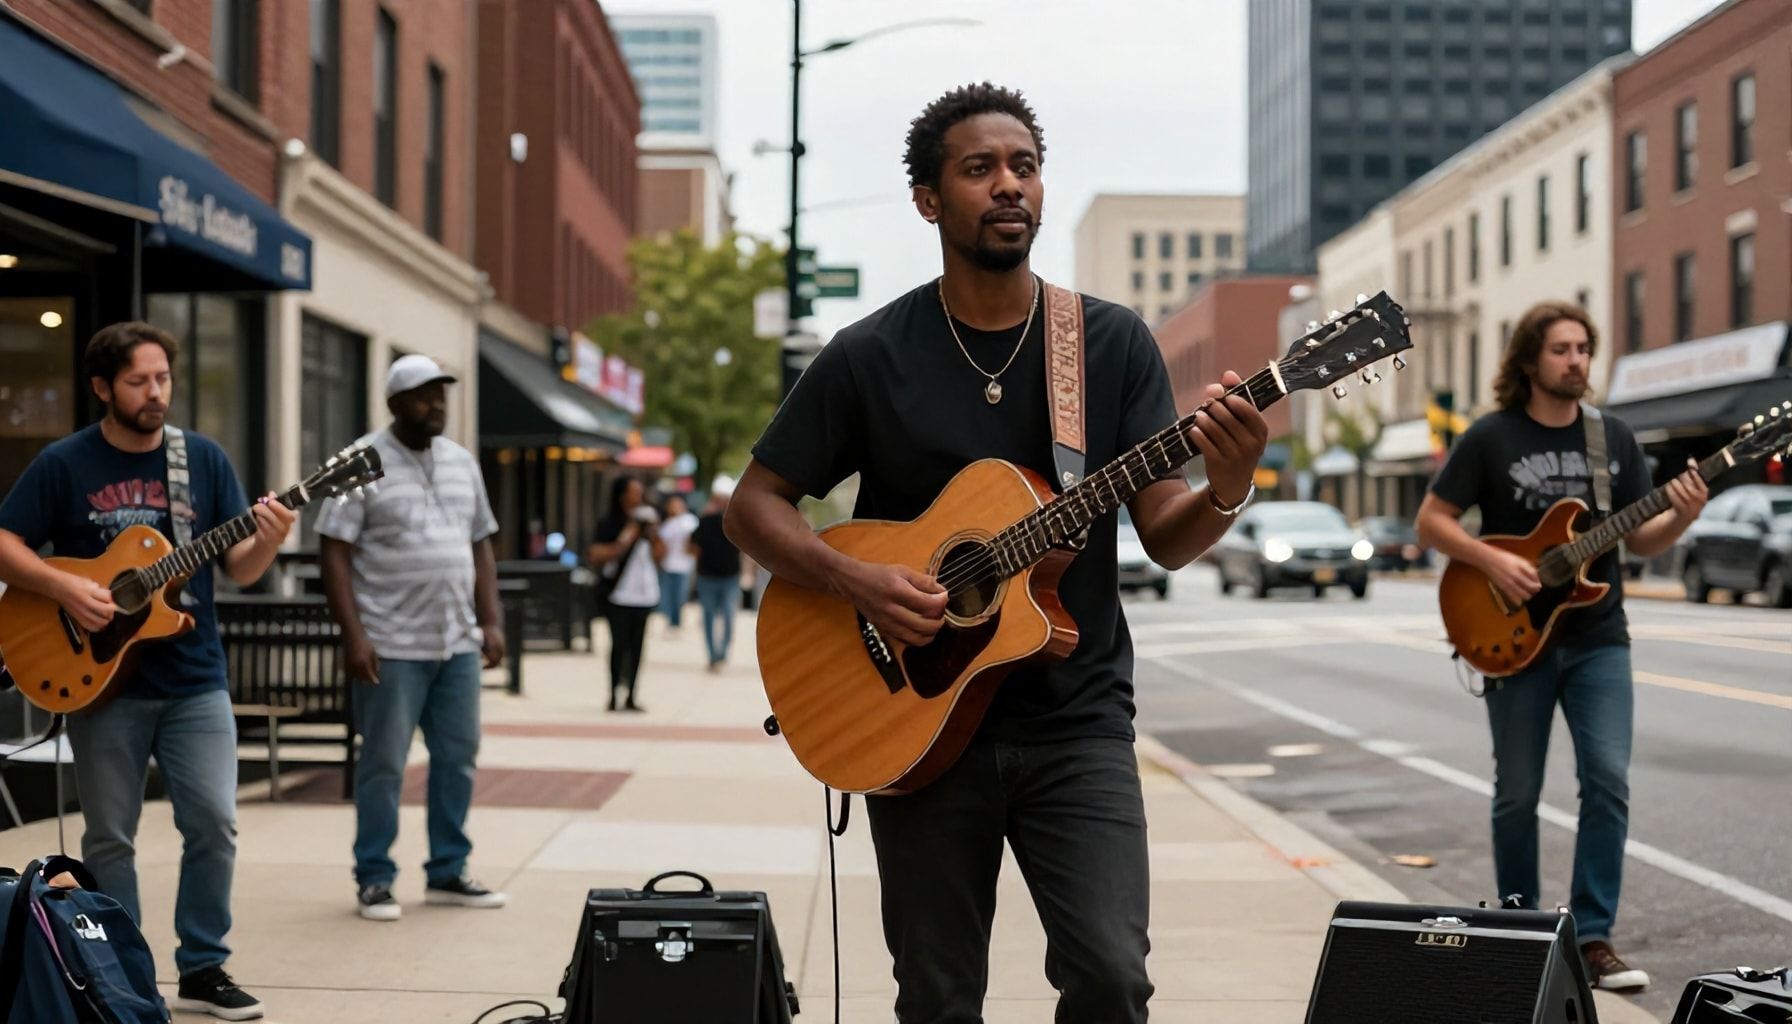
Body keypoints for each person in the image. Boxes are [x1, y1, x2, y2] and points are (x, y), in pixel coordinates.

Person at [723, 83, 1266, 1022]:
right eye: (980, 169)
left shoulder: (1104, 343)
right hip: (917, 716)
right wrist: (858, 580)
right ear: (930, 200)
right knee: (937, 996)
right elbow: (752, 507)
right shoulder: (870, 355)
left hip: (1077, 721)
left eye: (1024, 166)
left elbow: (1168, 535)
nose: (1009, 185)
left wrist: (1228, 486)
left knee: (1110, 977)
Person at [0, 322, 293, 1020]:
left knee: (215, 823)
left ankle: (204, 966)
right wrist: (66, 588)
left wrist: (273, 539)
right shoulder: (66, 464)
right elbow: (5, 539)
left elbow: (241, 567)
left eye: (163, 378)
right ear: (103, 386)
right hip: (100, 682)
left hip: (195, 677)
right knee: (110, 837)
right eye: (139, 381)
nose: (155, 392)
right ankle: (119, 967)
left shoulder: (203, 460)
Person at [1416, 301, 1707, 992]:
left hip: (1599, 637)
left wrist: (1683, 516)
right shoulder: (1491, 437)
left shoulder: (1613, 440)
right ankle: (1520, 929)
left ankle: (1595, 938)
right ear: (1530, 360)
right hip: (1513, 640)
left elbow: (1640, 540)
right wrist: (1490, 560)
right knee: (1517, 793)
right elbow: (1432, 520)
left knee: (1607, 781)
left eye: (1584, 348)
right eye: (1561, 349)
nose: (1576, 360)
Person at [315, 354, 509, 922]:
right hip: (391, 645)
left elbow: (481, 544)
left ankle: (448, 870)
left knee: (459, 757)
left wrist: (491, 620)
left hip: (456, 642)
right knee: (383, 764)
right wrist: (354, 636)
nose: (437, 405)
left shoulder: (461, 461)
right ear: (396, 403)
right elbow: (334, 549)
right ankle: (374, 877)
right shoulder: (359, 461)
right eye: (425, 396)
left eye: (442, 394)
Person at [588, 477, 664, 712]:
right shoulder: (611, 523)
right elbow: (596, 554)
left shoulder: (649, 525)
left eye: (640, 492)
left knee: (638, 645)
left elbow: (661, 556)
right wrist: (628, 533)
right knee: (618, 644)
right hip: (618, 593)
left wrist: (653, 533)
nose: (637, 497)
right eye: (632, 492)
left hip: (645, 594)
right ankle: (613, 694)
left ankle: (631, 694)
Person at [690, 480, 742, 671]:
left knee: (728, 615)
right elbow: (694, 548)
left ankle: (722, 653)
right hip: (708, 576)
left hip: (730, 576)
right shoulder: (705, 522)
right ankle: (713, 655)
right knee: (708, 616)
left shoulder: (737, 522)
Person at [656, 493, 698, 635]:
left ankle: (676, 621)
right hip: (668, 564)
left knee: (680, 595)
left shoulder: (689, 521)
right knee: (667, 595)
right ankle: (670, 620)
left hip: (684, 565)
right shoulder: (667, 523)